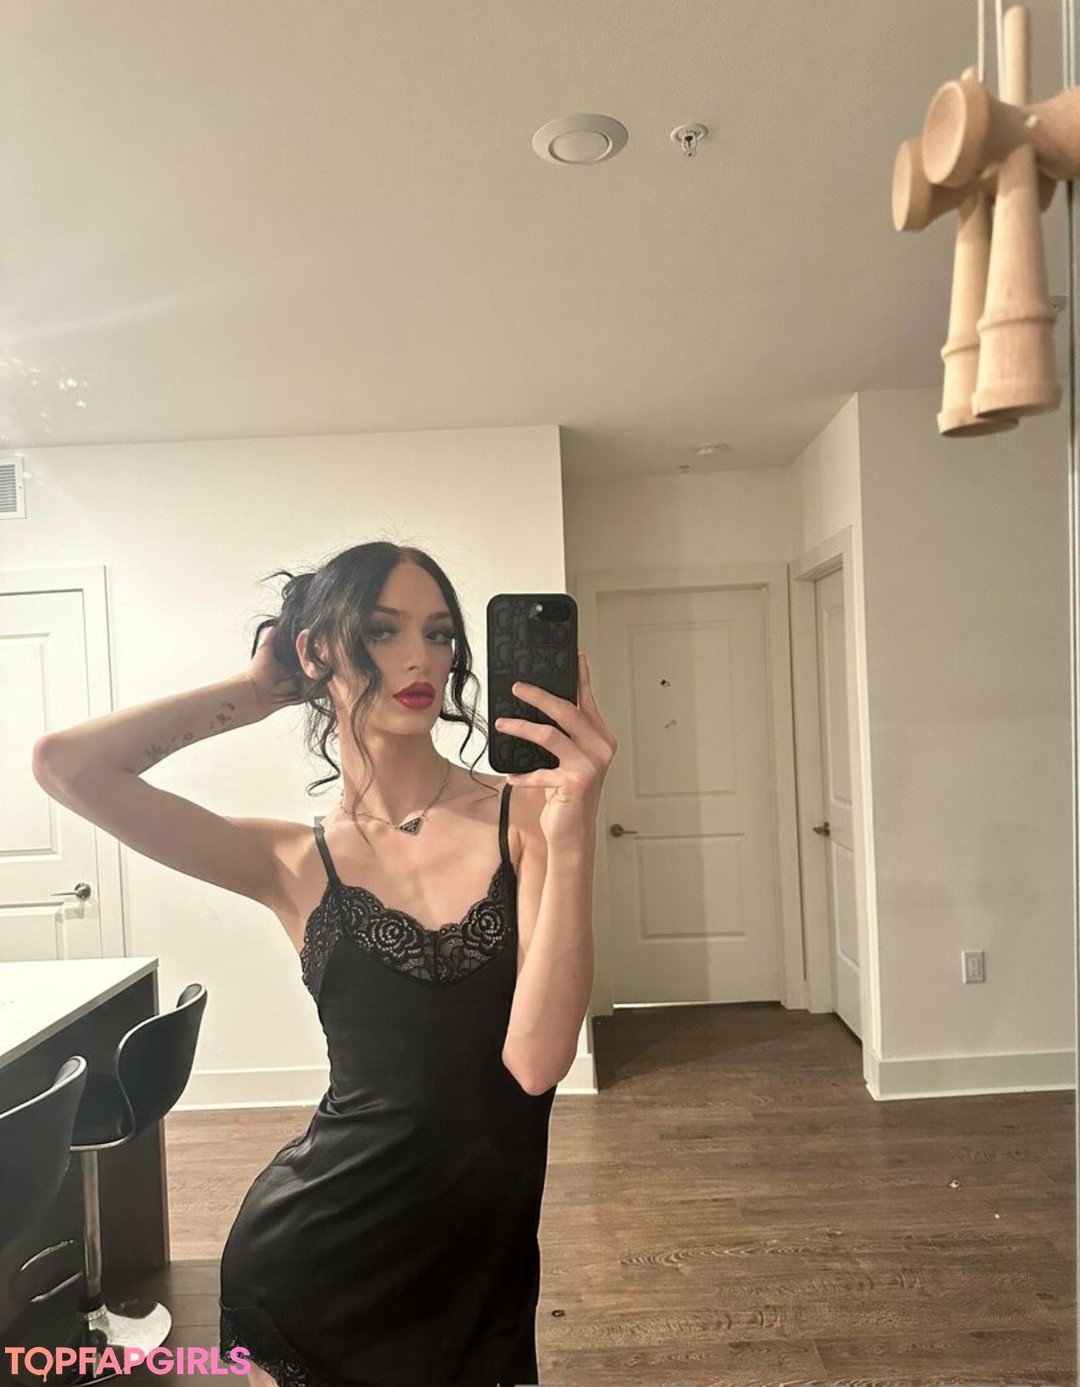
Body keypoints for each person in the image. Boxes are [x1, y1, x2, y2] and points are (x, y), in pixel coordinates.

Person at [31, 540, 617, 1387]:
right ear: (316, 650)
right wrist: (259, 689)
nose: (420, 658)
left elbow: (535, 1061)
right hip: (313, 1262)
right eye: (381, 630)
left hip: (479, 1271)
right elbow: (65, 765)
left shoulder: (527, 817)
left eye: (439, 633)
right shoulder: (291, 860)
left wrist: (575, 834)